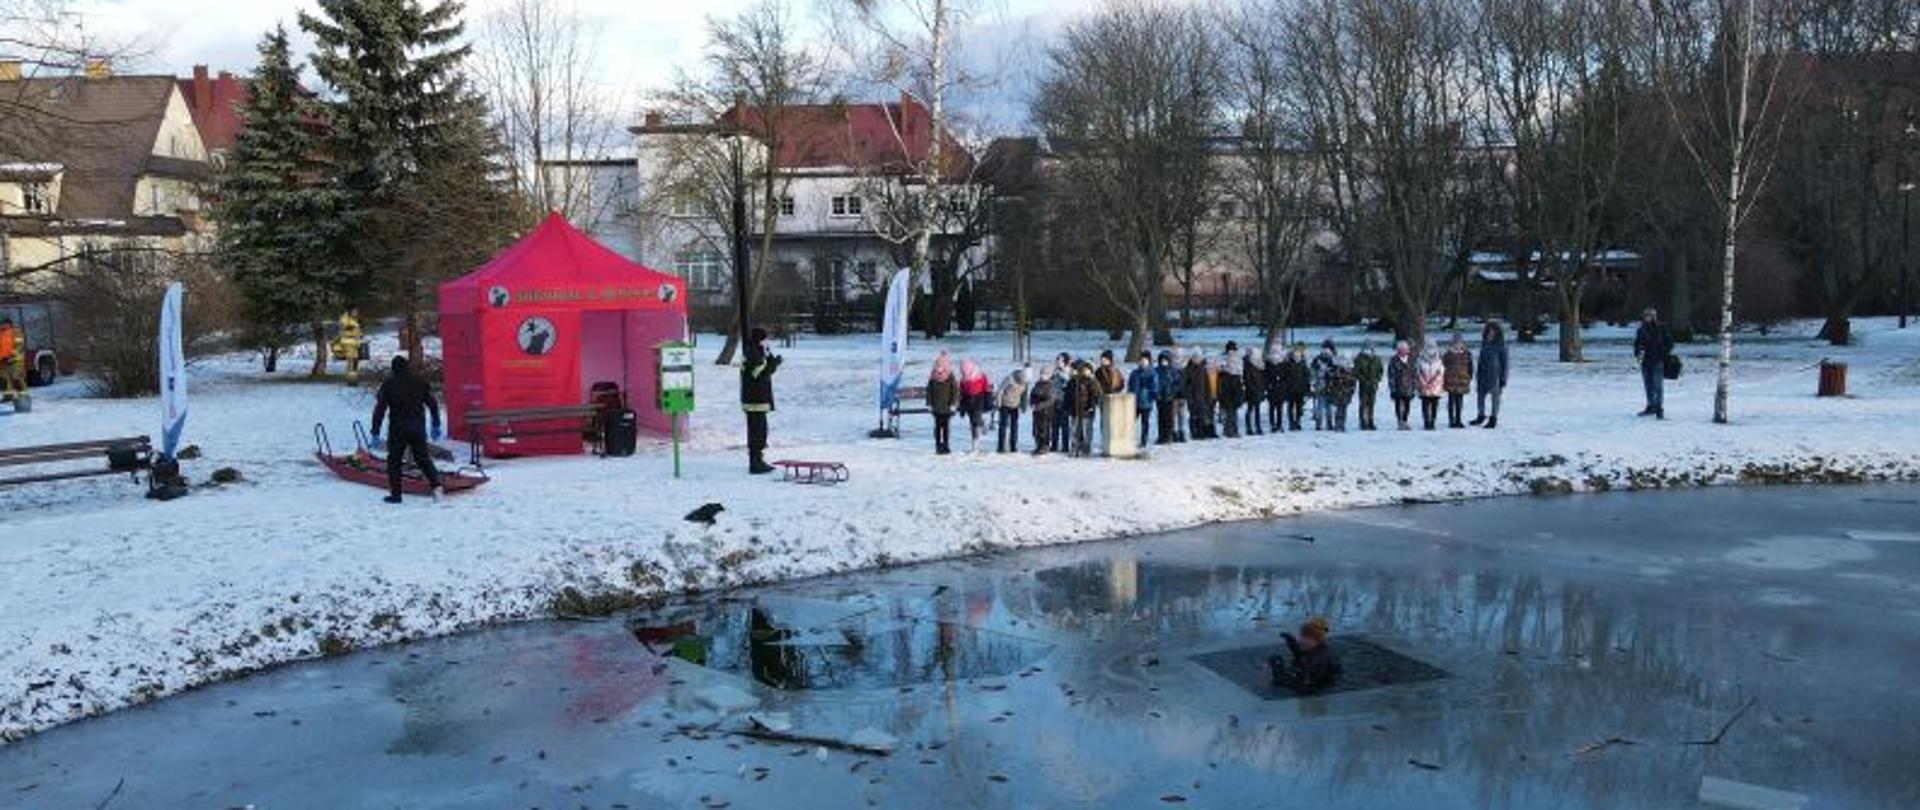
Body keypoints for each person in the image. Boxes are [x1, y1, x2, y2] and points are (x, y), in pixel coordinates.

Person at [369, 355, 444, 503]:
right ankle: (436, 486)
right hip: (417, 426)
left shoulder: (388, 384)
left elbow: (380, 409)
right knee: (422, 458)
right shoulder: (420, 382)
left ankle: (396, 495)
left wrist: (375, 431)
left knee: (394, 461)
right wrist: (435, 424)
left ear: (393, 369)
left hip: (398, 428)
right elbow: (433, 404)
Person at [740, 327, 783, 474]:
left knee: (759, 431)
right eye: (765, 339)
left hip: (755, 399)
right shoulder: (754, 353)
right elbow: (760, 374)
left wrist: (770, 356)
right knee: (757, 432)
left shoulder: (756, 351)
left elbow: (764, 370)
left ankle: (758, 460)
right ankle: (755, 463)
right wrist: (774, 363)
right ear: (759, 339)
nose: (767, 341)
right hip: (755, 399)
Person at [1268, 616, 1343, 694]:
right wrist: (1292, 643)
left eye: (1304, 637)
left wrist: (1279, 674)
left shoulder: (1320, 659)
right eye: (1301, 636)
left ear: (1314, 639)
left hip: (1318, 688)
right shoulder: (1316, 649)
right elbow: (1302, 654)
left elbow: (1306, 686)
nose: (1300, 640)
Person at [1633, 307, 1674, 420]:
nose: (1648, 318)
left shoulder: (1661, 328)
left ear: (1654, 317)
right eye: (1646, 315)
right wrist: (1637, 353)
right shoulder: (1641, 329)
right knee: (1648, 385)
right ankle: (1651, 406)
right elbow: (1637, 344)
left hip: (1657, 361)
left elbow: (1670, 343)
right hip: (1645, 361)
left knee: (1657, 385)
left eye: (1650, 315)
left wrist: (1662, 354)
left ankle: (1659, 408)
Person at [1473, 321, 1509, 429]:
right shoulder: (1484, 344)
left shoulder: (1501, 346)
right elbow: (1480, 360)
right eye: (1489, 331)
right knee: (1480, 396)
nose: (1491, 333)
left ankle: (1493, 418)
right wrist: (1477, 374)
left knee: (1495, 398)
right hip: (1482, 375)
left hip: (1495, 376)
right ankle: (1481, 415)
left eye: (1493, 331)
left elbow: (1505, 363)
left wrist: (1503, 378)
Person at [926, 351, 959, 455]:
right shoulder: (933, 376)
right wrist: (929, 403)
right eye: (938, 365)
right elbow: (929, 391)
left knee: (945, 427)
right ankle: (938, 445)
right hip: (936, 406)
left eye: (942, 365)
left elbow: (955, 390)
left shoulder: (950, 375)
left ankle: (946, 445)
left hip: (947, 406)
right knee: (938, 427)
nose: (940, 367)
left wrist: (953, 403)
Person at [959, 358, 993, 453]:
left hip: (979, 401)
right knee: (973, 422)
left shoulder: (981, 376)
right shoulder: (963, 380)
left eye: (965, 370)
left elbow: (987, 389)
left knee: (975, 422)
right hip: (969, 403)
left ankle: (975, 444)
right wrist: (962, 408)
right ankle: (976, 442)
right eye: (963, 371)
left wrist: (988, 402)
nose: (965, 373)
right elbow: (962, 394)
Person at [1442, 332, 1474, 429]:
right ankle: (1451, 420)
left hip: (1462, 381)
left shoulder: (1467, 354)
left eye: (1460, 343)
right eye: (1455, 343)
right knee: (1451, 402)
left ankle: (1458, 419)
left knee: (1459, 402)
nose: (1458, 345)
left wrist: (1469, 377)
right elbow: (1443, 366)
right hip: (1451, 381)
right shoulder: (1448, 354)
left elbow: (1470, 367)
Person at [1127, 351, 1158, 449]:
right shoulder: (1134, 373)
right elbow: (1130, 385)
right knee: (1130, 421)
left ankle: (1144, 441)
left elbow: (1155, 387)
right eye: (1141, 360)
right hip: (1135, 401)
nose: (1143, 362)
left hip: (1146, 402)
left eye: (1145, 360)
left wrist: (1151, 395)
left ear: (1149, 361)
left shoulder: (1152, 373)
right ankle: (1129, 439)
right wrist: (1130, 394)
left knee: (1145, 422)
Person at [1069, 359, 1100, 457]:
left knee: (1086, 430)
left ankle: (1086, 449)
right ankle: (1075, 447)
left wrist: (1091, 406)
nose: (1071, 371)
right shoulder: (1072, 381)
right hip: (1075, 410)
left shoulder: (1089, 381)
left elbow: (1094, 395)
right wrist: (1068, 407)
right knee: (1074, 430)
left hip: (1086, 410)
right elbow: (1068, 396)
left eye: (1073, 369)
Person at [996, 367, 1029, 454]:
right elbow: (1000, 390)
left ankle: (1013, 446)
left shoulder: (1025, 383)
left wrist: (1023, 406)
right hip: (1005, 405)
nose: (1022, 383)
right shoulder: (1009, 379)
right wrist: (999, 403)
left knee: (1014, 426)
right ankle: (1001, 446)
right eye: (1021, 381)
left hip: (1015, 406)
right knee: (1003, 425)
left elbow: (1024, 395)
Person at [1387, 340, 1418, 430]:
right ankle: (1399, 421)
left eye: (1405, 349)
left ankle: (1405, 420)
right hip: (1398, 387)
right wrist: (1392, 388)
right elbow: (1391, 375)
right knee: (1398, 405)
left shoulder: (1411, 360)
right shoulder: (1394, 360)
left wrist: (1414, 386)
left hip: (1409, 387)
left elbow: (1414, 374)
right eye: (1401, 349)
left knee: (1407, 405)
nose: (1403, 351)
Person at [1352, 342, 1383, 431]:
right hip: (1363, 384)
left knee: (1371, 403)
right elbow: (1356, 371)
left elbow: (1380, 370)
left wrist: (1377, 379)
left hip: (1373, 384)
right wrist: (1363, 380)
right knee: (1363, 403)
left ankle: (1370, 420)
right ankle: (1363, 421)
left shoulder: (1376, 359)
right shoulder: (1359, 358)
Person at [1281, 342, 1311, 432]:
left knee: (1299, 407)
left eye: (1298, 356)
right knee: (1290, 406)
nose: (1296, 357)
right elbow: (1284, 377)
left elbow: (1306, 377)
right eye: (1295, 356)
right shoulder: (1288, 364)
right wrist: (1285, 387)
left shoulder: (1303, 364)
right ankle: (1291, 422)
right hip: (1290, 389)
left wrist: (1307, 388)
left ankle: (1298, 422)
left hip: (1300, 389)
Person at [1184, 353, 1214, 440]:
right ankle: (1194, 433)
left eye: (1198, 358)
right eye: (1195, 358)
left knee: (1202, 416)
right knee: (1193, 416)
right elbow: (1185, 384)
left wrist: (1208, 397)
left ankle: (1201, 432)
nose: (1197, 360)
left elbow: (1207, 385)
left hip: (1202, 397)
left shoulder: (1203, 370)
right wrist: (1189, 396)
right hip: (1192, 397)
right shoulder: (1188, 369)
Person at [1309, 339, 1338, 431]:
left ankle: (1329, 423)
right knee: (1320, 406)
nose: (1326, 351)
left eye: (1328, 350)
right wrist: (1314, 381)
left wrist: (1330, 373)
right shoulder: (1317, 360)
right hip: (1320, 386)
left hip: (1330, 386)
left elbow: (1336, 372)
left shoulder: (1333, 360)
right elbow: (1312, 371)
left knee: (1329, 406)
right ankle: (1319, 423)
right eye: (1324, 349)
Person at [1417, 339, 1446, 430]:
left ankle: (1432, 421)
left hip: (1436, 387)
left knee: (1434, 406)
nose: (1430, 348)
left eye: (1432, 346)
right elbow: (1418, 372)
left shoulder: (1439, 359)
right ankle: (1426, 422)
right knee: (1425, 405)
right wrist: (1424, 383)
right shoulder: (1420, 359)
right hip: (1424, 386)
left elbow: (1441, 373)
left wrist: (1433, 383)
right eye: (1428, 346)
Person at [1153, 350, 1180, 445]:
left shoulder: (1173, 371)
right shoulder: (1156, 371)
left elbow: (1177, 383)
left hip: (1169, 398)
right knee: (1161, 418)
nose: (1164, 362)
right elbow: (1153, 383)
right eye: (1162, 360)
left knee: (1169, 418)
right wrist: (1156, 393)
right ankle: (1161, 436)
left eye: (1166, 360)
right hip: (1160, 398)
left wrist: (1173, 393)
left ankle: (1168, 436)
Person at [1028, 368, 1057, 456]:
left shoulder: (1050, 386)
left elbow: (1051, 400)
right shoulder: (1037, 385)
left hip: (1045, 411)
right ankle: (1038, 445)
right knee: (1035, 430)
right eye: (1041, 374)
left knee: (1044, 430)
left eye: (1044, 374)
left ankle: (1044, 446)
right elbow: (1032, 395)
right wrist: (1032, 403)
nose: (1042, 376)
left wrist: (1039, 406)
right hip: (1036, 411)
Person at [1217, 342, 1243, 438]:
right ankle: (1229, 430)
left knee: (1233, 412)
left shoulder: (1237, 364)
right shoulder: (1224, 367)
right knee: (1229, 412)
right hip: (1227, 392)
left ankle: (1233, 429)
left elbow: (1239, 379)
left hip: (1234, 391)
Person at [1050, 353, 1074, 452]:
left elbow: (1069, 384)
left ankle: (1065, 446)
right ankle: (1054, 445)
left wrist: (1061, 375)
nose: (1057, 362)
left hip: (1064, 402)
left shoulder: (1068, 372)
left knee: (1065, 425)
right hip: (1054, 401)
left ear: (1065, 362)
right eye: (1057, 360)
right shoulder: (1055, 372)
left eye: (1060, 360)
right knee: (1054, 425)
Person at [1242, 348, 1267, 436]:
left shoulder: (1259, 367)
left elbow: (1262, 380)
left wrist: (1262, 390)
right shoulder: (1248, 366)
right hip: (1251, 392)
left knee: (1257, 410)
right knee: (1250, 409)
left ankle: (1258, 427)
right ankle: (1249, 428)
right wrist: (1254, 389)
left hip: (1258, 391)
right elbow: (1247, 380)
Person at [1327, 358, 1356, 432]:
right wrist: (1334, 391)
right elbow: (1332, 383)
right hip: (1338, 394)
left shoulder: (1350, 373)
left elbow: (1353, 384)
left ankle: (1342, 425)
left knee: (1344, 410)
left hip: (1346, 394)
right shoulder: (1337, 372)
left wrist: (1351, 391)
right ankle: (1338, 425)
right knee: (1339, 410)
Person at [336, 308, 364, 384]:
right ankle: (351, 379)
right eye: (354, 311)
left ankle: (353, 377)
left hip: (355, 343)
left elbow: (357, 330)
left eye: (357, 311)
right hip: (347, 342)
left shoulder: (355, 319)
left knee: (355, 361)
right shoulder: (345, 319)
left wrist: (360, 334)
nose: (356, 313)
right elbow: (344, 328)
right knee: (351, 361)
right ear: (350, 311)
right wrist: (351, 327)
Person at [0, 316, 24, 400]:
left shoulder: (16, 332)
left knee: (16, 377)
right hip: (3, 361)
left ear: (9, 324)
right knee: (4, 379)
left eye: (5, 324)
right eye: (2, 324)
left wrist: (10, 355)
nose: (3, 325)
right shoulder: (1, 333)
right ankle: (8, 396)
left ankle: (22, 396)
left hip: (15, 360)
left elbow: (19, 346)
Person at [1265, 349, 1288, 432]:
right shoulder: (1268, 365)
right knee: (1272, 408)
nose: (1275, 357)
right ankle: (1272, 424)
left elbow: (1285, 377)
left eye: (1277, 356)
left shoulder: (1282, 365)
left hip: (1280, 390)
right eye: (1273, 355)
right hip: (1272, 390)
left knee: (1279, 409)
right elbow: (1266, 377)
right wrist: (1268, 385)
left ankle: (1279, 424)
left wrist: (1284, 385)